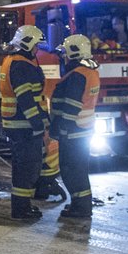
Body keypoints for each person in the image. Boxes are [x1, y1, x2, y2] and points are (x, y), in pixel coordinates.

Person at [49, 35, 101, 219]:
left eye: (65, 53)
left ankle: (82, 208)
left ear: (73, 53)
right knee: (78, 170)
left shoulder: (77, 75)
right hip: (83, 130)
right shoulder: (90, 71)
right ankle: (80, 206)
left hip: (73, 132)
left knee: (72, 171)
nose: (63, 57)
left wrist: (60, 129)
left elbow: (71, 107)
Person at [0, 25, 48, 220]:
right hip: (24, 125)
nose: (38, 49)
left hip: (18, 124)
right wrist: (38, 124)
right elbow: (26, 98)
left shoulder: (14, 61)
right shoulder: (22, 65)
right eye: (36, 45)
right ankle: (21, 209)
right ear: (27, 43)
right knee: (26, 168)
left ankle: (23, 206)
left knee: (24, 167)